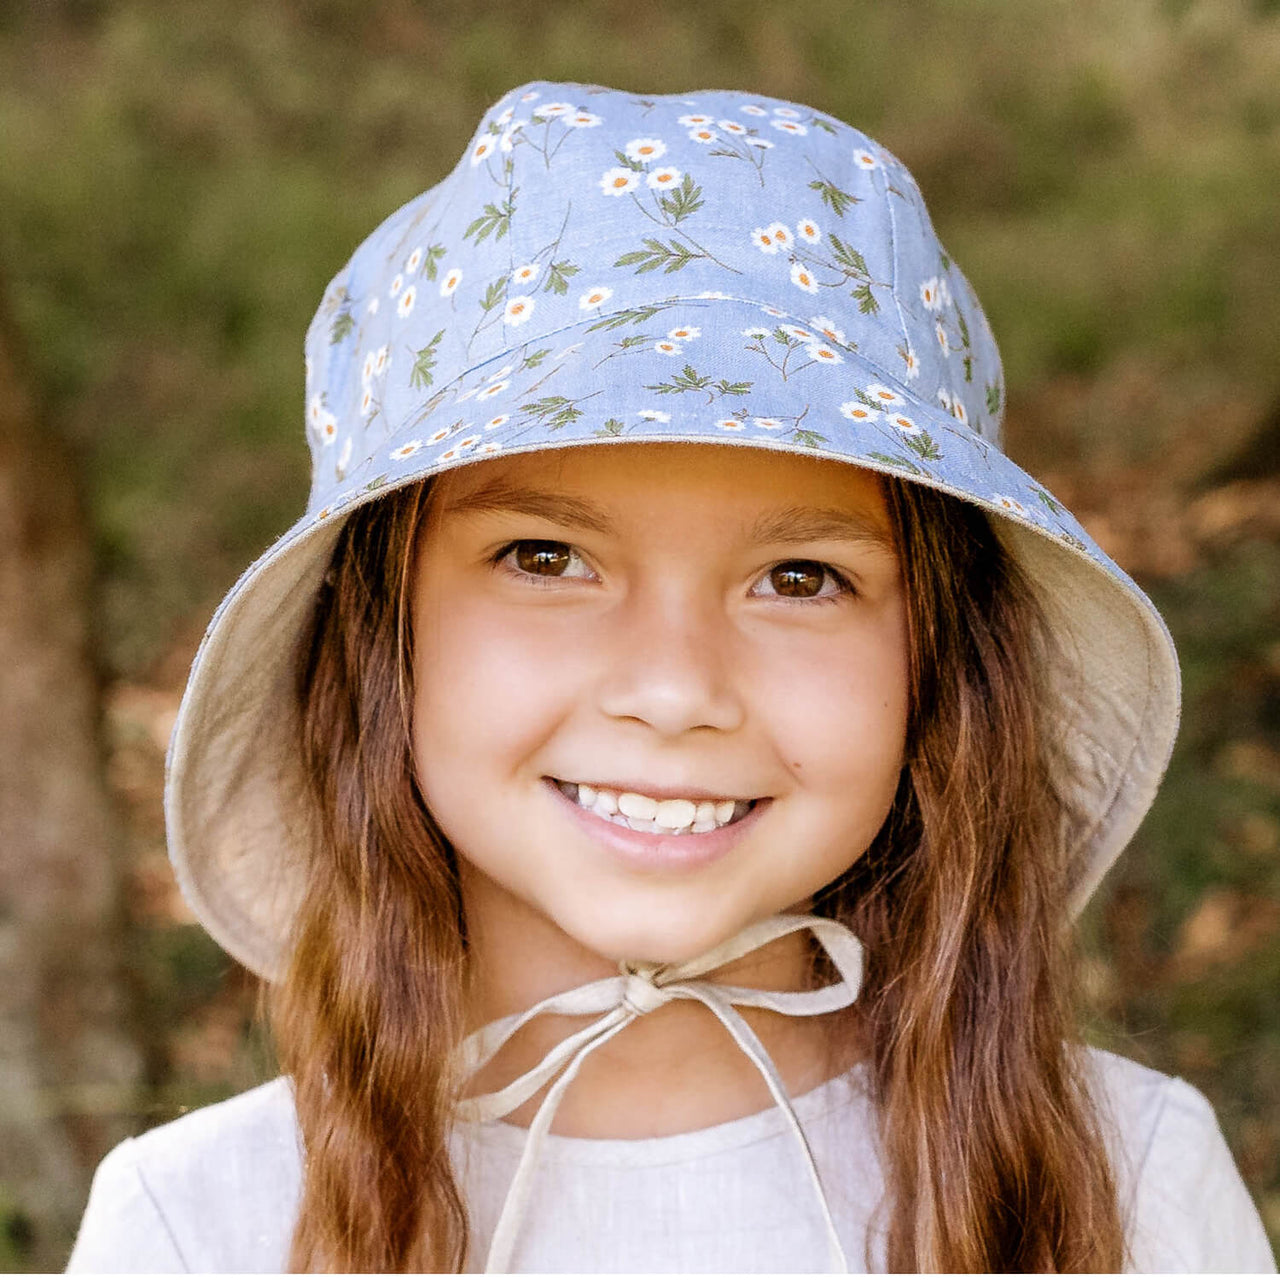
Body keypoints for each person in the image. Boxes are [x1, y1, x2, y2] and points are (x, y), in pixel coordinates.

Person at [66, 79, 1276, 1274]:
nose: (673, 687)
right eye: (545, 557)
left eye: (799, 577)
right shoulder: (201, 1226)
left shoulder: (1123, 1183)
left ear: (940, 665)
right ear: (382, 641)